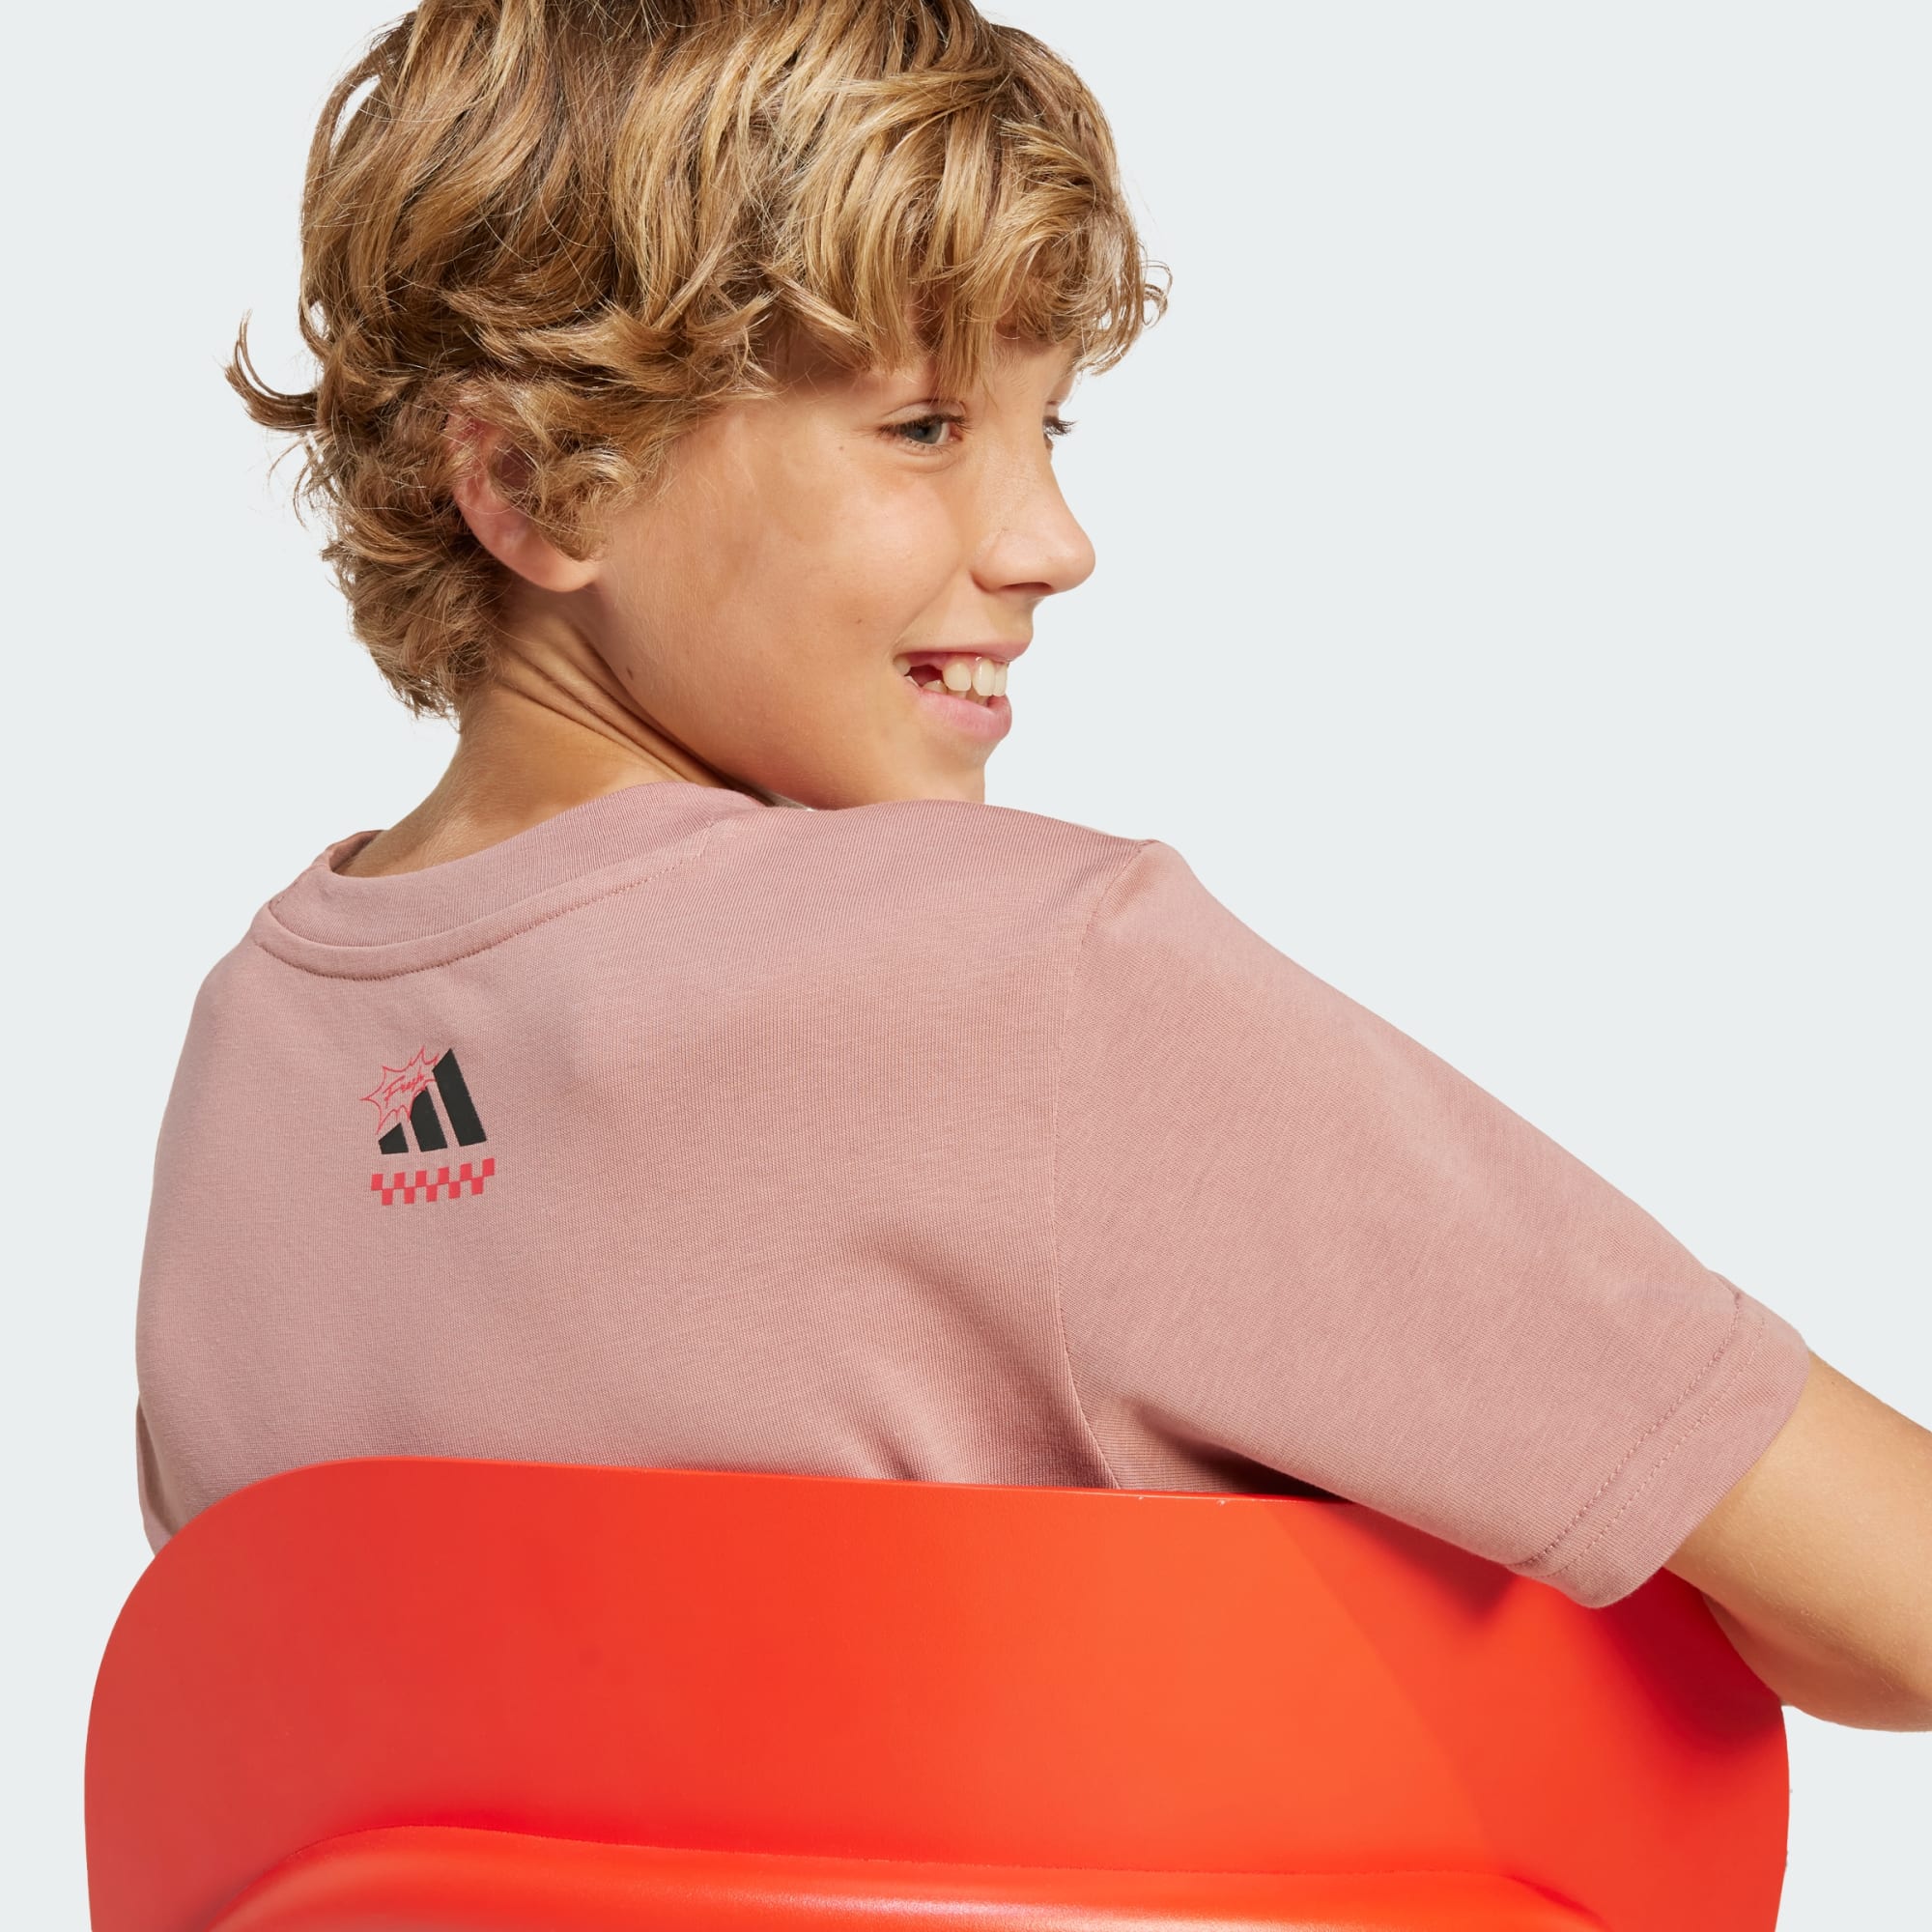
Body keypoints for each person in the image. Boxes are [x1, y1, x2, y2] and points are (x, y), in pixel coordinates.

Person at [134, 0, 1929, 1734]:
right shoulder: (1033, 989)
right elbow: (1900, 1611)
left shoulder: (249, 1074)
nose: (1054, 544)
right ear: (537, 483)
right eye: (923, 426)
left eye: (1045, 425)